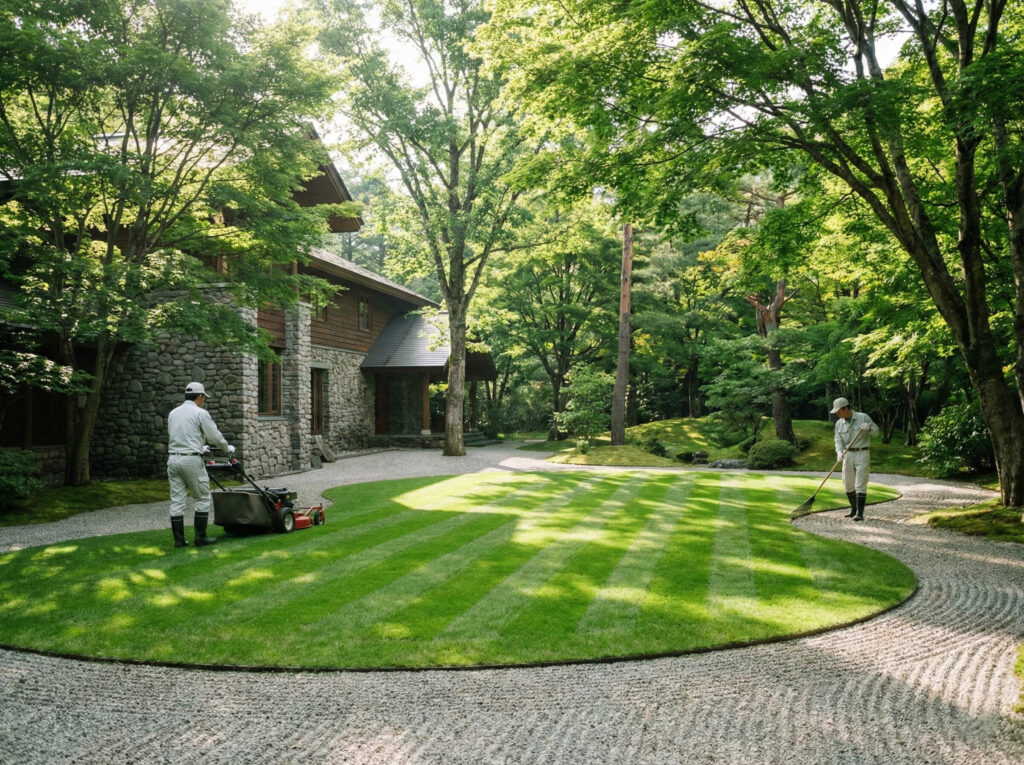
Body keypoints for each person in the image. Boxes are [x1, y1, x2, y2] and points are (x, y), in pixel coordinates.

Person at [167, 382, 235, 548]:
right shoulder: (200, 413)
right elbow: (215, 437)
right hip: (191, 461)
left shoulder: (173, 413)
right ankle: (201, 537)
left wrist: (200, 447)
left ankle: (179, 541)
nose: (204, 400)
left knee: (177, 501)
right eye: (204, 397)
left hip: (173, 459)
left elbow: (181, 436)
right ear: (200, 396)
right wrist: (228, 448)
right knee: (203, 497)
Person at [831, 397, 880, 521]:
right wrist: (839, 452)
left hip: (862, 453)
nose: (837, 414)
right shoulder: (839, 423)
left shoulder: (863, 417)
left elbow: (876, 433)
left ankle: (860, 513)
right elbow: (838, 440)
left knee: (860, 483)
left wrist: (868, 428)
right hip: (848, 455)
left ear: (846, 408)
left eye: (838, 411)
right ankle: (853, 509)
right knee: (848, 484)